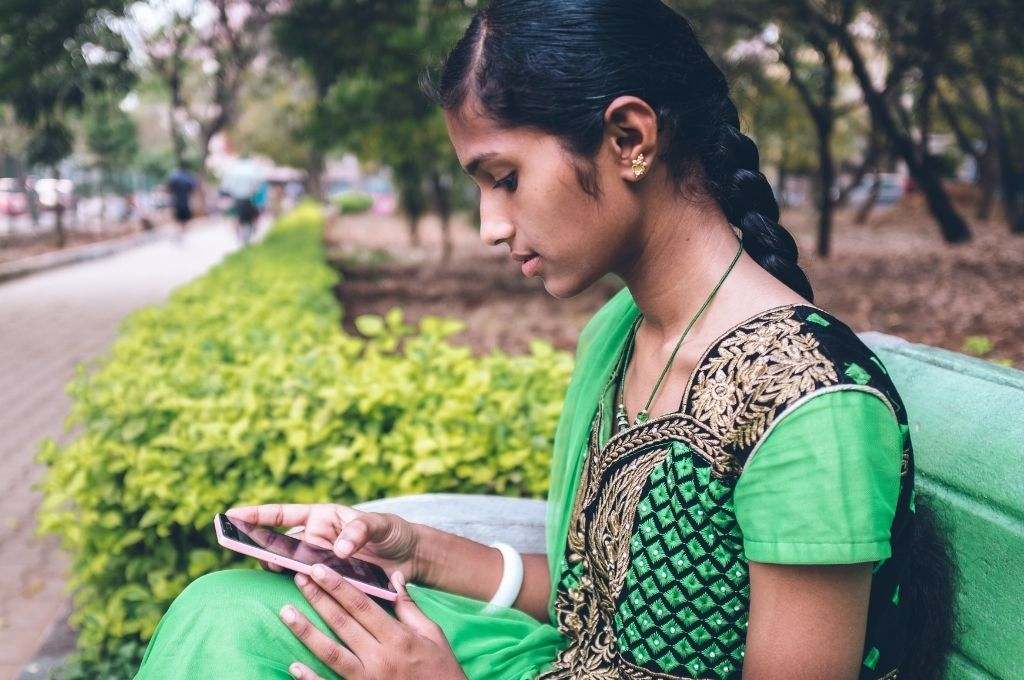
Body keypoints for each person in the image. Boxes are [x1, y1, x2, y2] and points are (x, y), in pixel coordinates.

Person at [135, 2, 954, 679]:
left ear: (629, 138)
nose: (493, 227)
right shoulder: (625, 333)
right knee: (232, 616)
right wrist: (408, 548)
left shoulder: (810, 407)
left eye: (505, 179)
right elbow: (589, 599)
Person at [167, 165, 198, 239]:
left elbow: (169, 188)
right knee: (185, 218)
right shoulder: (187, 177)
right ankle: (182, 232)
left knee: (179, 218)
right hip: (185, 200)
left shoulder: (173, 177)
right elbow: (193, 187)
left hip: (176, 201)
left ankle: (181, 232)